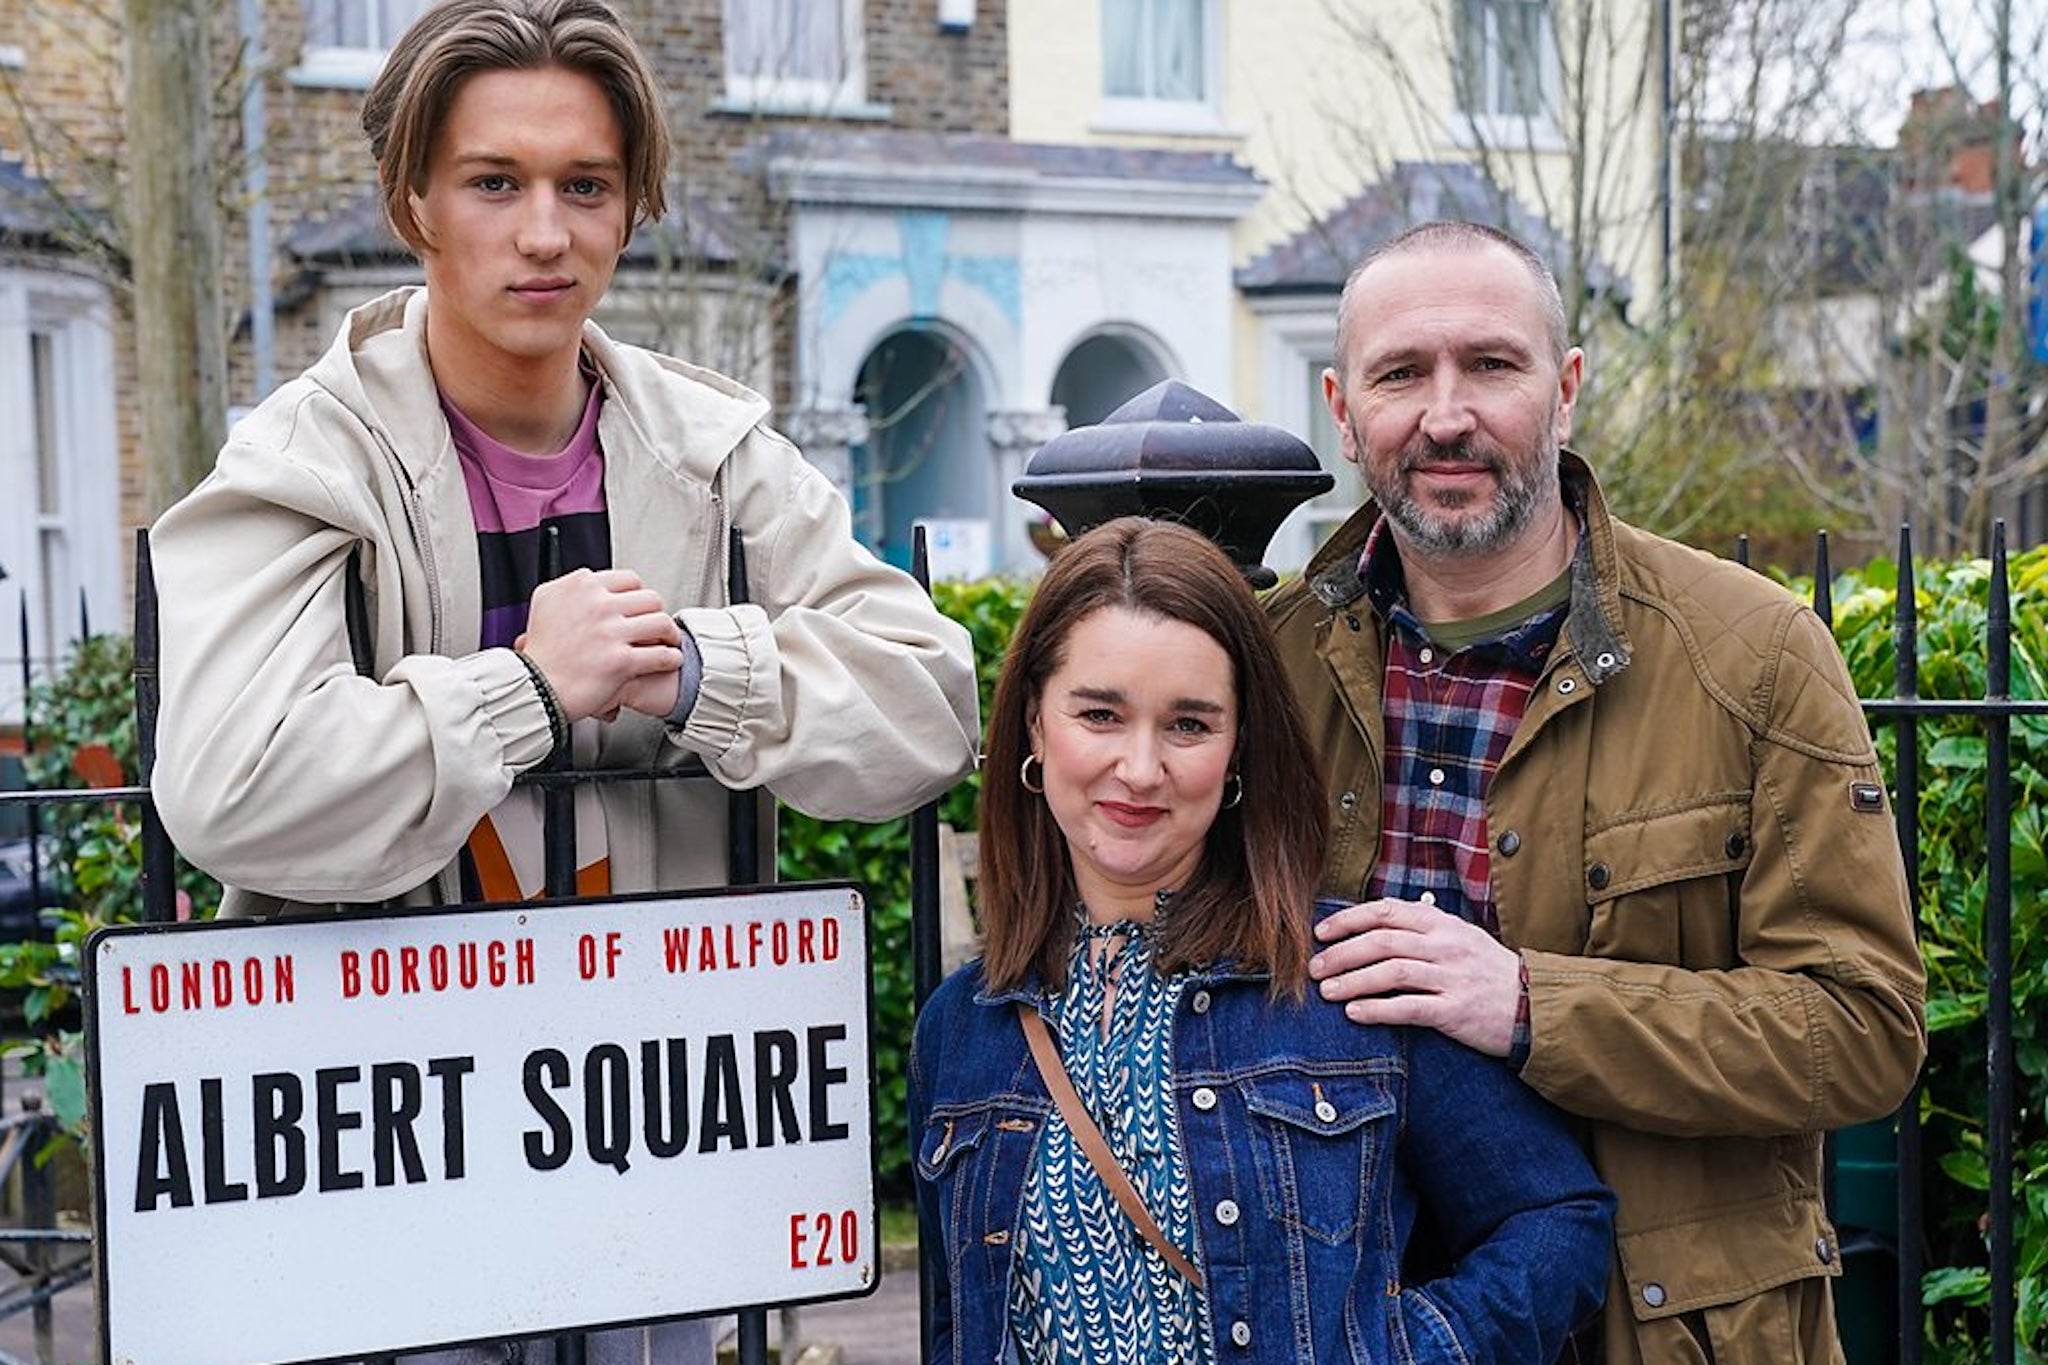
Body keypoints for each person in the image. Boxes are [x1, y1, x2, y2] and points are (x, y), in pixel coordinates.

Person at [148, 0, 978, 1359]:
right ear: (413, 202)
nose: (545, 234)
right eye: (495, 183)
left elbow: (930, 706)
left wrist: (696, 665)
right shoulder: (306, 461)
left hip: (646, 1127)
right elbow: (229, 787)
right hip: (383, 1139)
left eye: (585, 186)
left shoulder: (714, 455)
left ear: (631, 205)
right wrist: (526, 690)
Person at [1272, 220, 1927, 1363]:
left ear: (1565, 388)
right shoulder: (1265, 667)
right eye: (1399, 374)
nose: (1444, 416)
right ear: (1340, 408)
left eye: (1490, 364)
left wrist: (1531, 1005)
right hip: (1348, 1326)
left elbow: (1860, 1029)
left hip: (1664, 1332)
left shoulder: (1752, 656)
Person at [910, 516, 1614, 1364]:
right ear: (1033, 722)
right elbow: (958, 1322)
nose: (1140, 768)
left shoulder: (1349, 975)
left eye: (1188, 725)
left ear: (1239, 745)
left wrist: (1405, 1350)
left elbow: (1557, 1220)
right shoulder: (962, 1029)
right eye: (1099, 714)